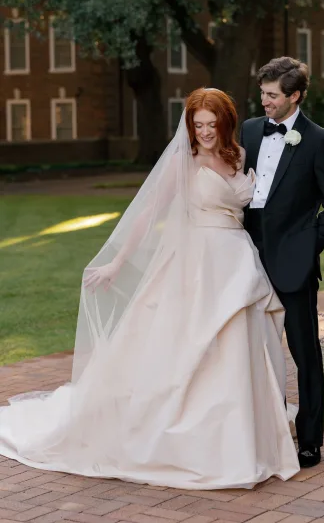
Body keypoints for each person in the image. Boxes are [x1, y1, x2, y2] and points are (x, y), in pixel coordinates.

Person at [0, 88, 300, 489]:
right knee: (187, 346)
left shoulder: (239, 156)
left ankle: (240, 434)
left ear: (225, 123)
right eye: (198, 125)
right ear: (189, 126)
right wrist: (116, 263)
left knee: (239, 346)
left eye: (212, 125)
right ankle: (192, 438)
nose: (206, 132)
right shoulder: (184, 160)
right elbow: (148, 215)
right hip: (196, 265)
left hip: (237, 262)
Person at [241, 57, 324, 468]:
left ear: (294, 96)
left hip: (295, 264)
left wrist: (308, 246)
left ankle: (309, 441)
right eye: (262, 94)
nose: (263, 102)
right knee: (259, 351)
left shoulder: (319, 140)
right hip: (248, 260)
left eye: (271, 96)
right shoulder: (251, 129)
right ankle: (271, 432)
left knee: (305, 354)